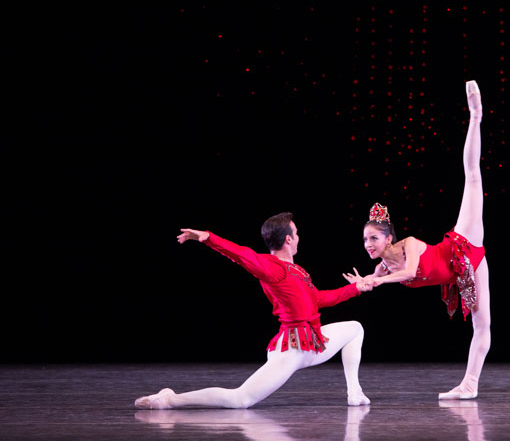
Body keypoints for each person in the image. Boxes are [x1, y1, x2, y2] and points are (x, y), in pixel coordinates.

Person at [135, 212, 373, 409]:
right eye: (296, 233)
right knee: (240, 400)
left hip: (311, 342)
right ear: (288, 240)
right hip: (293, 348)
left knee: (354, 328)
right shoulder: (273, 268)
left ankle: (355, 393)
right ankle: (170, 399)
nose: (299, 237)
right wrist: (208, 238)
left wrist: (356, 288)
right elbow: (242, 255)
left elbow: (318, 299)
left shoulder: (296, 271)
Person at [344, 81, 490, 400]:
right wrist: (362, 283)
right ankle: (469, 386)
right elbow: (370, 284)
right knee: (482, 326)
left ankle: (476, 115)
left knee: (473, 177)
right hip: (461, 274)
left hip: (462, 246)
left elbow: (410, 274)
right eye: (364, 240)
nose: (367, 245)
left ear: (388, 238)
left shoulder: (408, 244)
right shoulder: (383, 268)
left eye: (373, 238)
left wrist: (379, 282)